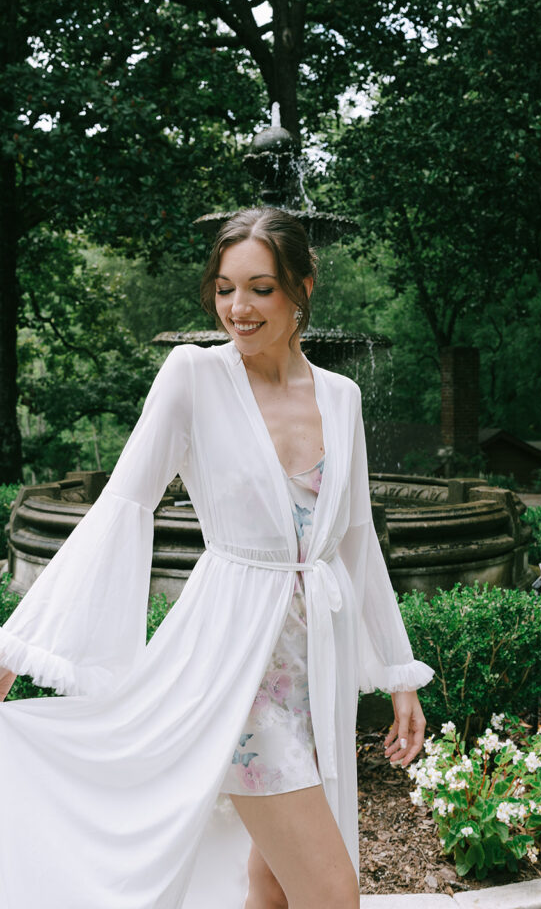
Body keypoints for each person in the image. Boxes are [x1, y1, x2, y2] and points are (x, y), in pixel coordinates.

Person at [0, 207, 434, 909]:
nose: (238, 307)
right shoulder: (193, 377)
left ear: (302, 286)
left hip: (313, 666)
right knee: (331, 896)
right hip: (233, 669)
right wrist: (18, 647)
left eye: (261, 288)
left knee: (272, 886)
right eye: (225, 288)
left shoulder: (341, 396)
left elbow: (354, 542)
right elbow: (123, 508)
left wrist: (396, 675)